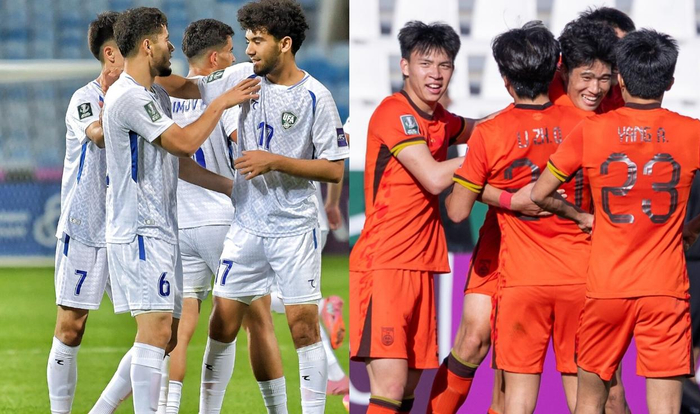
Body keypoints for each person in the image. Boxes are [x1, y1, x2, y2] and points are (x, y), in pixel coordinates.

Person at [156, 1, 347, 412]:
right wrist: (142, 73)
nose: (249, 50)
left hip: (294, 229)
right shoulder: (241, 76)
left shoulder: (316, 96)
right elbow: (187, 87)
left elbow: (333, 169)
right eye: (246, 41)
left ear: (285, 43)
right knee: (222, 324)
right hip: (244, 226)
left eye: (257, 41)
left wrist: (274, 161)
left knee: (302, 328)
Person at [93, 7, 259, 413]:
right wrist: (222, 103)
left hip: (164, 229)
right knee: (154, 334)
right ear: (147, 46)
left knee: (167, 335)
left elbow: (179, 161)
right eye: (166, 40)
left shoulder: (155, 93)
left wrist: (229, 187)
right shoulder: (130, 96)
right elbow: (185, 142)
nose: (172, 47)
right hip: (140, 230)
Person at [531, 29, 695, 414]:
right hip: (665, 289)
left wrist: (580, 216)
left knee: (590, 401)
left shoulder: (591, 129)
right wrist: (693, 228)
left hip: (607, 287)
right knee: (666, 408)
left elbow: (539, 193)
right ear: (669, 82)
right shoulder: (692, 132)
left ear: (620, 79)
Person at [445, 21, 592, 413]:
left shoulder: (491, 132)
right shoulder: (586, 125)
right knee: (584, 396)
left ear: (505, 79)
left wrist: (504, 196)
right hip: (580, 276)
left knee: (518, 400)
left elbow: (457, 210)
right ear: (556, 69)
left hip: (522, 281)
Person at [156, 18, 239, 414]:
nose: (236, 58)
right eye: (231, 51)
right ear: (215, 58)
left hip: (180, 222)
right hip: (221, 218)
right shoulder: (223, 94)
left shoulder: (164, 98)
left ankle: (168, 408)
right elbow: (241, 142)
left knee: (179, 329)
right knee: (250, 319)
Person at [47, 11, 125, 414]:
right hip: (86, 227)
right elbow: (97, 135)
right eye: (130, 47)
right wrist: (116, 103)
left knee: (164, 329)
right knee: (71, 327)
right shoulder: (84, 99)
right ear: (110, 54)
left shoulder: (144, 96)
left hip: (130, 229)